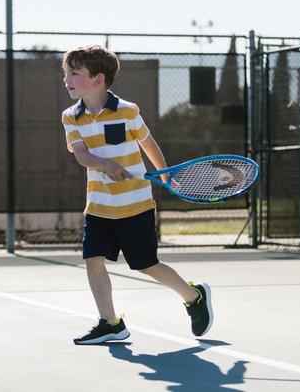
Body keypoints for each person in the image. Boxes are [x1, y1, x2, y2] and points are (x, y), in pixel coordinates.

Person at [60, 45, 213, 345]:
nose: (67, 78)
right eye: (65, 73)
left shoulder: (128, 111)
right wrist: (104, 164)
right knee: (93, 258)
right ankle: (111, 323)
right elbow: (81, 155)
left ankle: (194, 296)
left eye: (74, 73)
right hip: (100, 205)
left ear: (97, 79)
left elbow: (148, 144)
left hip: (136, 204)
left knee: (145, 264)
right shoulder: (71, 117)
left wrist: (164, 173)